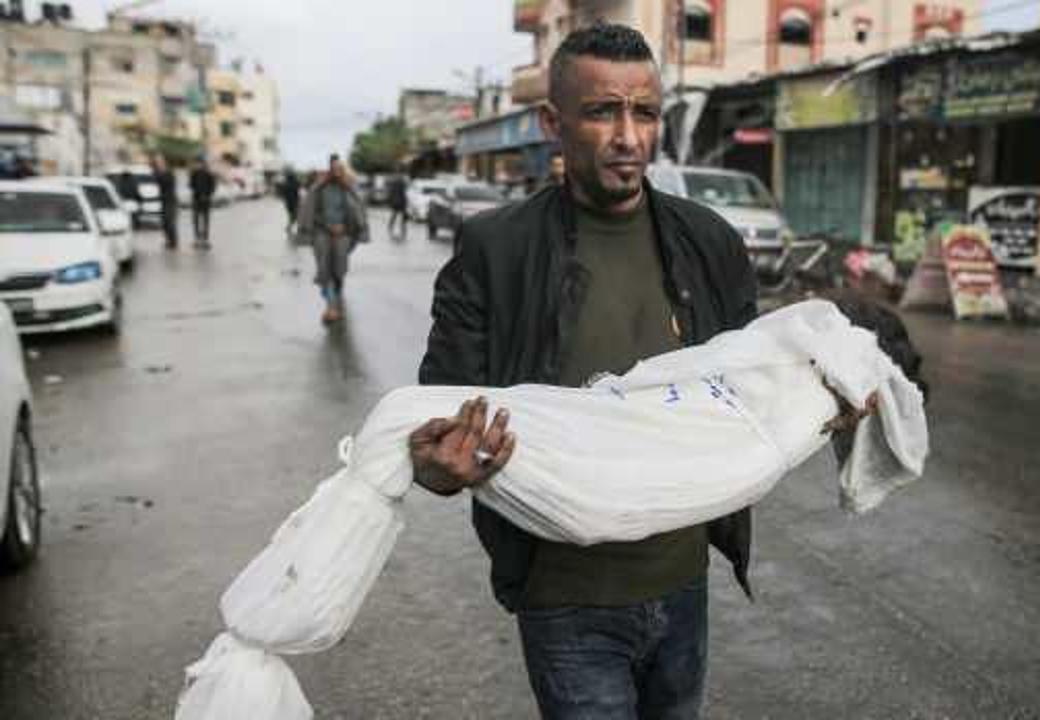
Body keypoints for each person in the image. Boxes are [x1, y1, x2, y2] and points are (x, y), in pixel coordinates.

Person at [410, 24, 761, 719]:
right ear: (553, 123)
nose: (629, 138)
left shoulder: (709, 241)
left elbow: (750, 384)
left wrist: (825, 396)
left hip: (683, 581)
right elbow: (436, 425)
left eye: (646, 112)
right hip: (564, 599)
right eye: (603, 111)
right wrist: (441, 467)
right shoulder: (494, 249)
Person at [297, 154, 369, 324]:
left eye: (340, 169)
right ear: (329, 170)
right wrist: (328, 226)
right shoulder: (319, 189)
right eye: (334, 169)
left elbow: (357, 213)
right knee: (324, 271)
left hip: (343, 236)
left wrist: (346, 228)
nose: (337, 172)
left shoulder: (348, 189)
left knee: (339, 271)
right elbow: (310, 212)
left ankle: (335, 300)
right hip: (322, 234)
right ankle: (331, 306)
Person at [190, 158, 218, 250]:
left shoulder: (209, 173)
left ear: (203, 164)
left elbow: (213, 186)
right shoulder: (194, 173)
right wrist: (196, 192)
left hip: (205, 200)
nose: (197, 165)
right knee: (196, 220)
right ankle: (197, 239)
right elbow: (191, 185)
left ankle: (205, 239)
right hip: (196, 200)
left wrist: (207, 195)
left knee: (205, 220)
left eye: (198, 163)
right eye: (196, 163)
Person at [151, 155, 178, 250]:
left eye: (160, 162)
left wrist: (159, 173)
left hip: (170, 200)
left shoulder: (169, 172)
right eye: (157, 162)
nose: (158, 164)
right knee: (164, 223)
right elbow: (155, 181)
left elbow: (166, 183)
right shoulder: (158, 173)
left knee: (170, 221)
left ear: (164, 162)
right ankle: (168, 241)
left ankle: (174, 242)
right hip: (163, 200)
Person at [387, 172, 409, 237]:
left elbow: (391, 193)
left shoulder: (394, 184)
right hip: (401, 202)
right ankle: (403, 225)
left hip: (395, 202)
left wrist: (390, 201)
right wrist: (405, 202)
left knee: (394, 214)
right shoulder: (402, 184)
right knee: (402, 214)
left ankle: (391, 225)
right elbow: (403, 194)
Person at [281, 168, 302, 235]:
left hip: (289, 203)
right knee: (296, 216)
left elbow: (283, 194)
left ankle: (290, 227)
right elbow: (299, 190)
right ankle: (292, 227)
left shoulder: (285, 183)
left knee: (292, 216)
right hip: (295, 202)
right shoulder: (296, 182)